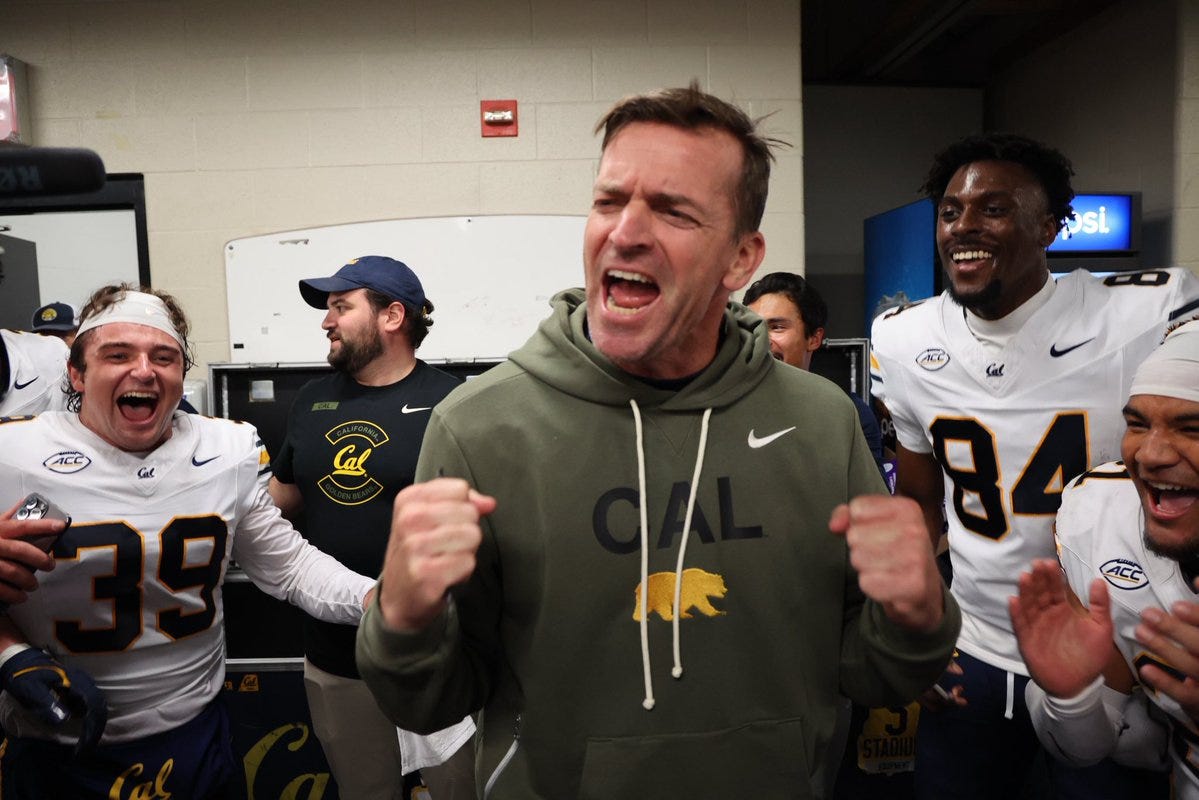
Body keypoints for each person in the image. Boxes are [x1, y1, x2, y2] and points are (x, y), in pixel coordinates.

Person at [356, 83, 960, 798]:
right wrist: (400, 622)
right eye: (610, 201)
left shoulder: (820, 421)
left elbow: (870, 672)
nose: (625, 232)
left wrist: (919, 618)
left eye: (672, 211)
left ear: (741, 258)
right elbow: (433, 700)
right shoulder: (480, 427)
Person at [869, 132, 1198, 798]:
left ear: (1048, 227)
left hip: (1112, 649)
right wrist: (923, 627)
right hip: (975, 646)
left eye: (992, 209)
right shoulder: (903, 338)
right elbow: (918, 498)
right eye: (950, 211)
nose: (964, 226)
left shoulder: (1141, 310)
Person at [0, 283, 375, 799]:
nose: (144, 370)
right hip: (57, 745)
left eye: (164, 356)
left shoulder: (227, 449)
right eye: (117, 355)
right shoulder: (13, 451)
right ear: (76, 373)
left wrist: (377, 599)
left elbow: (288, 567)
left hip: (195, 736)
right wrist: (9, 654)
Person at [269, 255, 474, 800]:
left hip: (438, 659)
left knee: (462, 791)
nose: (326, 321)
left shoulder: (456, 402)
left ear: (392, 316)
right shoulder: (312, 400)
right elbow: (283, 499)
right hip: (337, 658)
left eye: (341, 306)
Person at [1010, 318, 1199, 795]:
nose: (1150, 454)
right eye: (1137, 423)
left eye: (1192, 428)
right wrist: (1072, 697)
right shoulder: (1099, 514)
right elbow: (1087, 746)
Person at [744, 271, 886, 477]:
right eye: (752, 327)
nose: (761, 339)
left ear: (814, 338)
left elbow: (868, 502)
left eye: (777, 327)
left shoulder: (846, 414)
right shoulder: (724, 409)